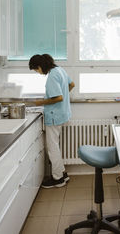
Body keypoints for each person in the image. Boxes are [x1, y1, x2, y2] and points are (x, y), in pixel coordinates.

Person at [29, 54, 75, 188]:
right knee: (55, 146)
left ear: (40, 66)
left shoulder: (51, 76)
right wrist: (64, 94)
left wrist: (39, 102)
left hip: (55, 115)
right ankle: (62, 173)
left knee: (52, 148)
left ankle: (58, 179)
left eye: (36, 70)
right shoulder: (60, 70)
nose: (38, 73)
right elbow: (71, 84)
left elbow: (58, 97)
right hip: (62, 113)